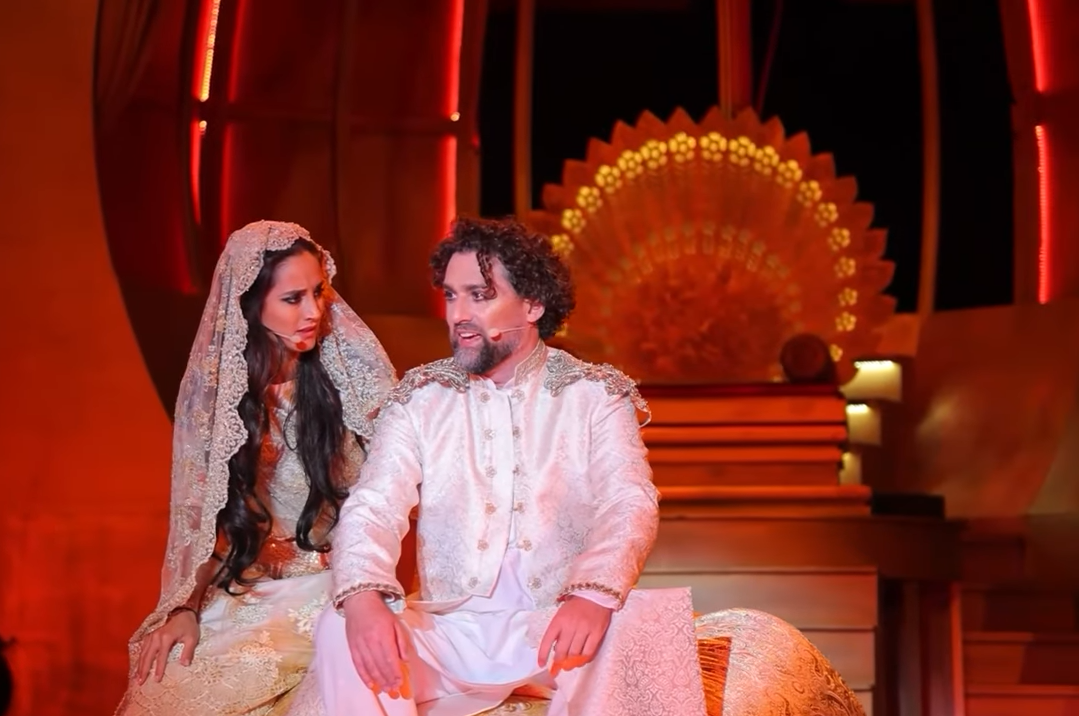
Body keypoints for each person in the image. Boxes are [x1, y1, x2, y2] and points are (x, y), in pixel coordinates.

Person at [286, 216, 866, 716]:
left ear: (533, 304)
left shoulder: (595, 395)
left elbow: (628, 501)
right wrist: (363, 596)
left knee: (631, 624)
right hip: (451, 632)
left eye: (480, 295)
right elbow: (373, 506)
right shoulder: (421, 399)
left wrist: (592, 595)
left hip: (557, 628)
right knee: (341, 626)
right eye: (451, 296)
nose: (459, 314)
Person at [116, 220, 398, 716]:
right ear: (251, 304)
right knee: (158, 688)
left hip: (336, 587)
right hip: (249, 586)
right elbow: (205, 528)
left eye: (318, 292)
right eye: (292, 299)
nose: (313, 312)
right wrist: (185, 607)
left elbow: (395, 501)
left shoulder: (350, 386)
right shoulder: (220, 402)